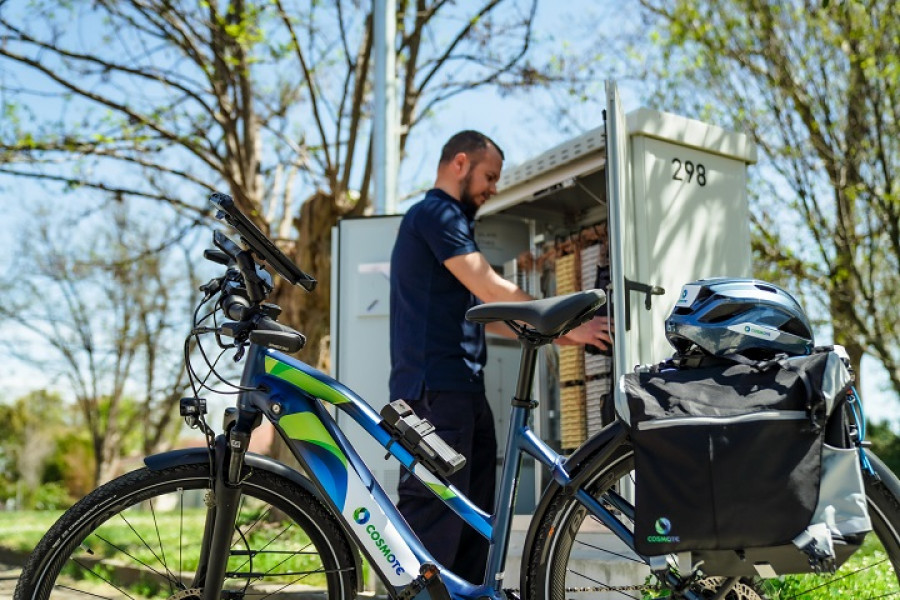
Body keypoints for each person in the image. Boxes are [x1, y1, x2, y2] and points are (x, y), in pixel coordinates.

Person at [389, 130, 613, 583]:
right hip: (435, 393)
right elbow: (491, 289)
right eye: (489, 176)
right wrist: (567, 322)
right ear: (459, 163)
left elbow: (485, 317)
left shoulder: (449, 221)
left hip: (462, 392)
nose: (493, 187)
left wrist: (566, 338)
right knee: (436, 521)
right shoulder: (434, 213)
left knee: (474, 521)